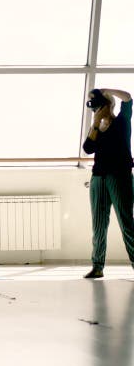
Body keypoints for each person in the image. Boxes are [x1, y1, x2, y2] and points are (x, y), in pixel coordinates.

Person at [82, 88, 134, 278]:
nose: (95, 109)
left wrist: (106, 91)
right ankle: (97, 266)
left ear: (108, 104)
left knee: (127, 223)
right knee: (98, 225)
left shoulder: (122, 121)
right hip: (98, 179)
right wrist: (96, 123)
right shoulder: (96, 127)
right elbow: (88, 148)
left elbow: (128, 98)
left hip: (120, 177)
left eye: (98, 104)